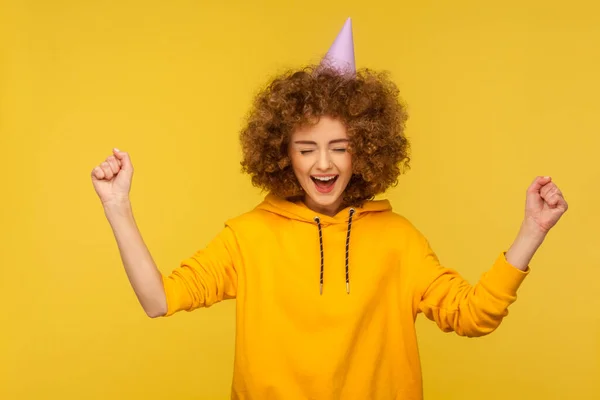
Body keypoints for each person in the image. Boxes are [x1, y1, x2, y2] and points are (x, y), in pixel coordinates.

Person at [91, 18, 568, 400]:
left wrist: (531, 230)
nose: (323, 163)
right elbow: (158, 301)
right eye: (306, 148)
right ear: (282, 152)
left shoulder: (399, 239)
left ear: (365, 149)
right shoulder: (246, 236)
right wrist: (118, 207)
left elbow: (473, 315)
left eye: (340, 147)